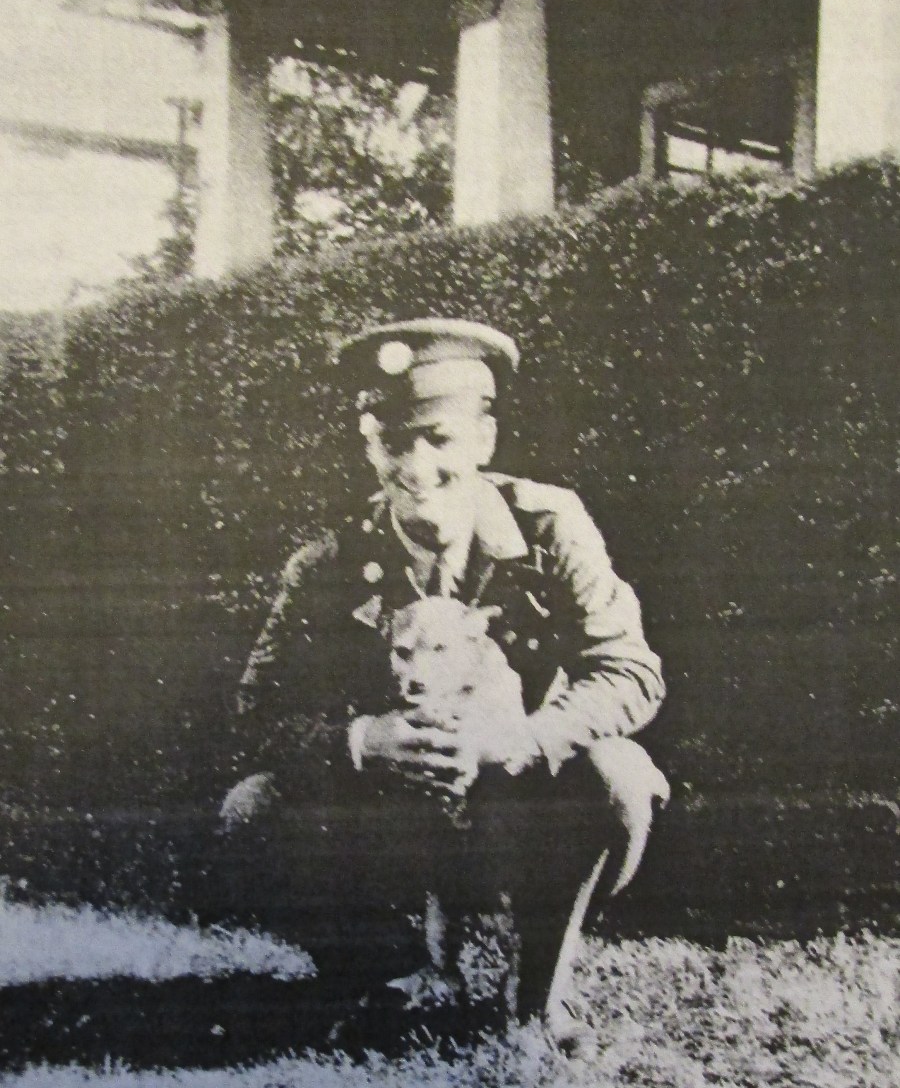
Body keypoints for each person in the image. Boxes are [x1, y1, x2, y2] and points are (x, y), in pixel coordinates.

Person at [218, 318, 668, 1049]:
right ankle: (383, 977)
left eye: (439, 438)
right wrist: (364, 739)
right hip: (394, 823)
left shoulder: (549, 528)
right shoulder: (329, 562)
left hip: (519, 807)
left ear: (484, 440)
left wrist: (519, 739)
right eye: (393, 442)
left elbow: (632, 672)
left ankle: (536, 1000)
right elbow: (255, 711)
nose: (415, 465)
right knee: (252, 808)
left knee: (618, 772)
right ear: (371, 449)